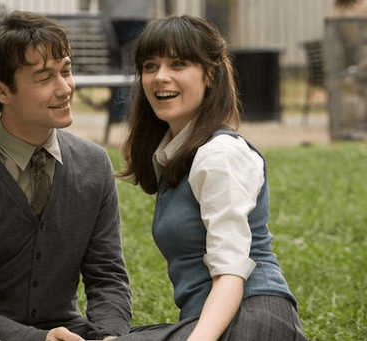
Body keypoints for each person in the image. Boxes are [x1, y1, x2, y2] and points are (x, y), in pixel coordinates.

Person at [0, 11, 131, 341]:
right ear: (0, 90)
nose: (65, 88)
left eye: (66, 70)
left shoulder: (94, 165)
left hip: (69, 334)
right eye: (45, 77)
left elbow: (107, 279)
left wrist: (109, 336)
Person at [116, 15, 308, 340]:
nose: (160, 77)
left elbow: (232, 271)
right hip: (213, 320)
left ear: (210, 74)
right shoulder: (175, 156)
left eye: (178, 64)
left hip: (254, 318)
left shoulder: (219, 154)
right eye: (150, 66)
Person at [98, 0, 152, 123]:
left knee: (118, 67)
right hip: (137, 14)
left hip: (110, 16)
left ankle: (118, 112)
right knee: (133, 67)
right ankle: (129, 113)